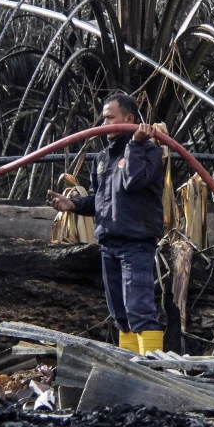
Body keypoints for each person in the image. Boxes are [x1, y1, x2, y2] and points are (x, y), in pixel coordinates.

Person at [46, 93, 165, 355]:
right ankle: (131, 370)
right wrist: (74, 205)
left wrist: (134, 144)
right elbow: (100, 201)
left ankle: (154, 373)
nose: (105, 122)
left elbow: (133, 181)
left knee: (139, 311)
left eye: (111, 117)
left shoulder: (148, 151)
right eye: (103, 118)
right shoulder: (102, 158)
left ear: (129, 119)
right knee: (120, 314)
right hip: (108, 244)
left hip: (136, 244)